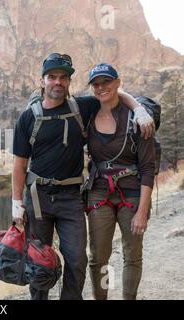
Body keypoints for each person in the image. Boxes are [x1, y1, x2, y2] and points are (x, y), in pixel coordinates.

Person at [11, 53, 154, 300]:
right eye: (52, 77)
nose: (58, 82)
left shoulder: (81, 107)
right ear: (42, 80)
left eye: (63, 78)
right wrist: (16, 204)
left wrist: (139, 109)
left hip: (71, 198)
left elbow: (112, 94)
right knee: (38, 260)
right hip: (37, 198)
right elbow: (19, 165)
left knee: (77, 259)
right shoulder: (28, 118)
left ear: (69, 82)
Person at [84, 63, 155, 300]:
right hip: (98, 193)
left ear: (117, 82)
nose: (102, 87)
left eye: (107, 82)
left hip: (133, 194)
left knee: (132, 255)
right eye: (96, 84)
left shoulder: (138, 120)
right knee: (97, 258)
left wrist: (142, 211)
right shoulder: (88, 113)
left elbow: (147, 168)